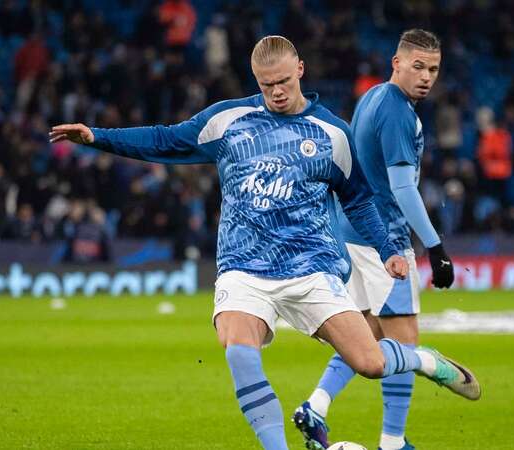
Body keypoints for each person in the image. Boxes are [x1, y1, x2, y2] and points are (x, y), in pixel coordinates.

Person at [49, 35, 479, 450]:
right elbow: (164, 139)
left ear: (300, 70)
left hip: (312, 268)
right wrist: (98, 136)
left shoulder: (331, 133)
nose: (276, 92)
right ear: (256, 80)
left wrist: (388, 250)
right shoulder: (228, 121)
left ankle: (425, 361)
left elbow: (359, 200)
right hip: (244, 270)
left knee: (370, 363)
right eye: (266, 84)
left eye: (284, 82)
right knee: (239, 351)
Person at [295, 30, 478, 450]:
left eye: (433, 68)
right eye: (418, 66)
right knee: (404, 342)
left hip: (351, 233)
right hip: (385, 241)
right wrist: (435, 247)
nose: (427, 76)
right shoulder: (397, 111)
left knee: (369, 336)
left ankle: (316, 406)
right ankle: (392, 442)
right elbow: (402, 188)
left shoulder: (374, 96)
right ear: (396, 62)